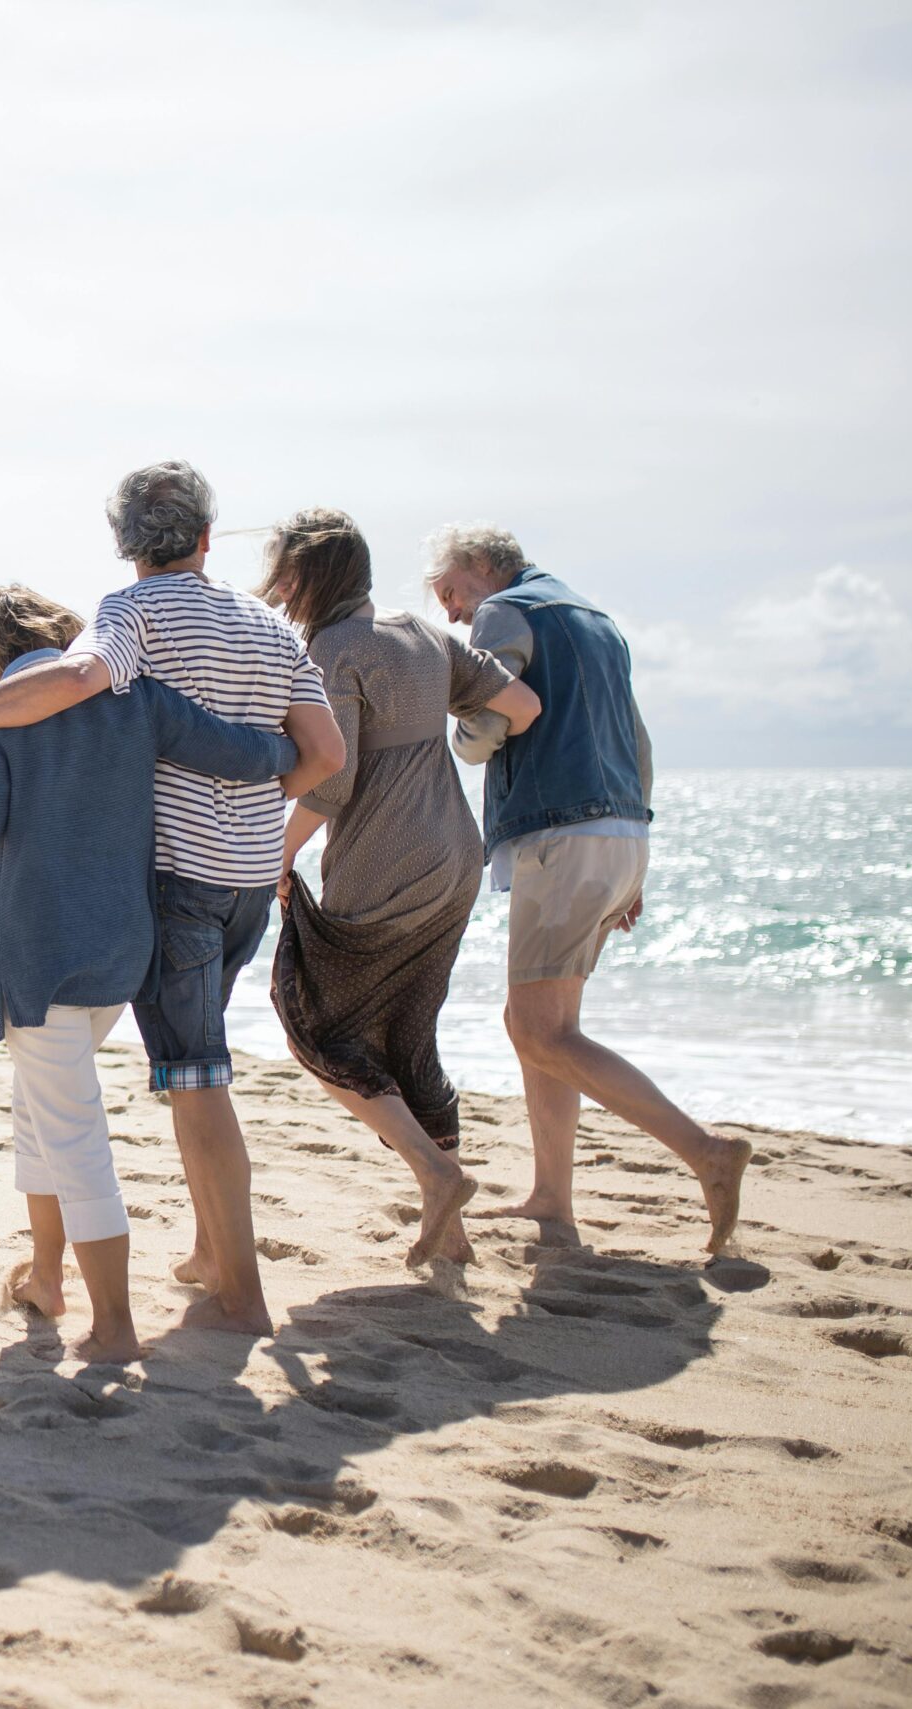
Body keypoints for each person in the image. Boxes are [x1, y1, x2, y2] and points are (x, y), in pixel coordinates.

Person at [0, 462, 345, 1336]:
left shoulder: (83, 657)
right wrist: (265, 793)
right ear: (209, 538)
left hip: (117, 921)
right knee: (72, 1101)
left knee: (157, 1096)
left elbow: (34, 739)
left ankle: (168, 1307)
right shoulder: (249, 637)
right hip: (228, 894)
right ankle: (64, 1272)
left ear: (123, 545)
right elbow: (305, 753)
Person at [426, 524, 751, 1253]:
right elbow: (638, 742)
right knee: (542, 1024)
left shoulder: (504, 612)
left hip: (561, 834)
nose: (451, 612)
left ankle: (706, 1152)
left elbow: (487, 721)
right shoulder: (595, 618)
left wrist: (458, 734)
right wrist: (634, 846)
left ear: (483, 567)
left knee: (539, 1029)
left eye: (450, 592)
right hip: (620, 830)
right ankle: (551, 1196)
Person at [258, 509, 543, 1267]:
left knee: (312, 1016)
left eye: (285, 572)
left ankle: (435, 1169)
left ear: (312, 575)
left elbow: (332, 780)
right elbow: (521, 705)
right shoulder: (421, 632)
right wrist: (442, 738)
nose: (279, 589)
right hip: (456, 860)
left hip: (389, 862)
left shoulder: (331, 648)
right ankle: (452, 1238)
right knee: (411, 1034)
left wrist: (273, 859)